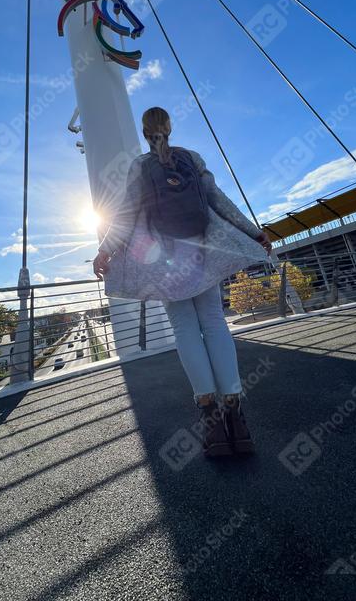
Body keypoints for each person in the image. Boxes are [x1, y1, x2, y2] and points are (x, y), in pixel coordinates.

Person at [93, 107, 271, 458]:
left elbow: (126, 214)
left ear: (145, 132)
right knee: (215, 323)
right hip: (201, 249)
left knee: (184, 329)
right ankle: (237, 418)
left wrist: (105, 250)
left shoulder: (140, 166)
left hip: (165, 258)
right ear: (169, 128)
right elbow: (219, 202)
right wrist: (254, 233)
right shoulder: (192, 158)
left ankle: (213, 423)